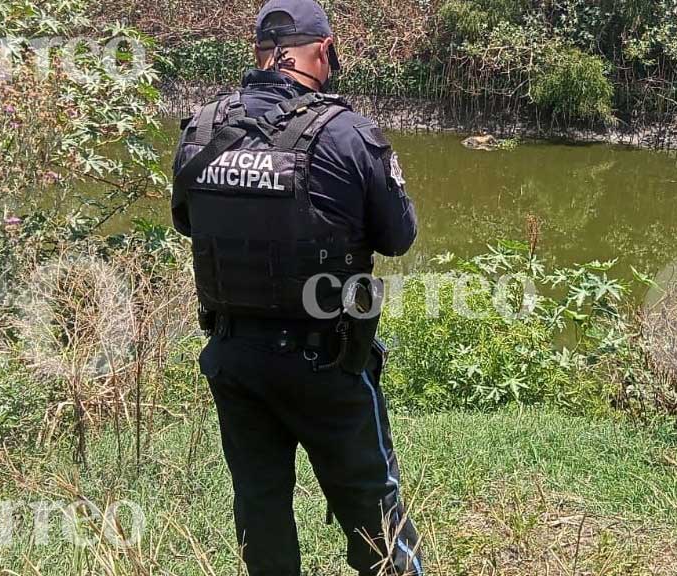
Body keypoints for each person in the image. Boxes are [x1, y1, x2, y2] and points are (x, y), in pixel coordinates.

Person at [170, 1, 423, 574]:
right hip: (325, 363)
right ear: (325, 50)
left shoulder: (201, 128)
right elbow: (399, 238)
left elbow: (187, 221)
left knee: (260, 513)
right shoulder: (348, 134)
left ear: (259, 51)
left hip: (234, 357)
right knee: (374, 510)